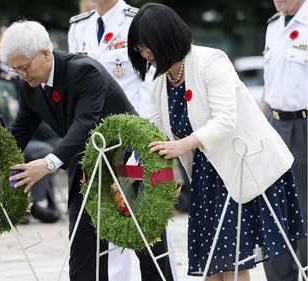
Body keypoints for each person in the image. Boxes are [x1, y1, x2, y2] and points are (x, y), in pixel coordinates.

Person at [127, 3, 306, 281]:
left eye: (148, 46)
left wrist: (182, 145)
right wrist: (154, 174)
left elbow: (225, 120)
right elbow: (157, 135)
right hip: (204, 177)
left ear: (167, 39)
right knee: (211, 263)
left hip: (240, 167)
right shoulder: (160, 83)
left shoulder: (211, 61)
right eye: (139, 48)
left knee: (233, 263)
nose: (145, 54)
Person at [0, 19, 174, 281]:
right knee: (82, 247)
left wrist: (47, 164)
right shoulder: (29, 87)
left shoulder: (84, 70)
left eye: (23, 68)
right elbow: (20, 132)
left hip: (125, 159)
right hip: (85, 165)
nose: (21, 76)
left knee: (147, 243)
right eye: (15, 71)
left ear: (45, 54)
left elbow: (85, 124)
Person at [68, 1, 178, 280]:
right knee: (110, 226)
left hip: (134, 137)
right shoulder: (79, 27)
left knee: (148, 227)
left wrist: (144, 137)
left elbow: (150, 82)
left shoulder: (136, 21)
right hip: (96, 143)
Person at [0, 42, 61, 223]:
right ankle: (11, 205)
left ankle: (33, 204)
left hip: (15, 137)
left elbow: (18, 117)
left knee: (42, 150)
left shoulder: (6, 86)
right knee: (15, 154)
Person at [261, 1, 307, 280]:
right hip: (275, 125)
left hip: (304, 125)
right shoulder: (273, 26)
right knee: (273, 208)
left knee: (304, 207)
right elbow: (270, 82)